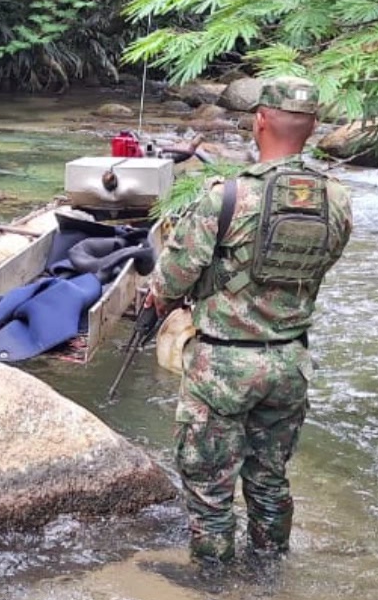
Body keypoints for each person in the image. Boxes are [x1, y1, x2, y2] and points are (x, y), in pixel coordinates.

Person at [142, 76, 354, 570]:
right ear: (314, 127)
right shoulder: (336, 199)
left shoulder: (228, 196)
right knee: (270, 477)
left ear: (259, 121)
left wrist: (163, 301)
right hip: (290, 363)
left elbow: (173, 276)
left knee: (210, 483)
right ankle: (269, 573)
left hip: (223, 364)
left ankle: (214, 583)